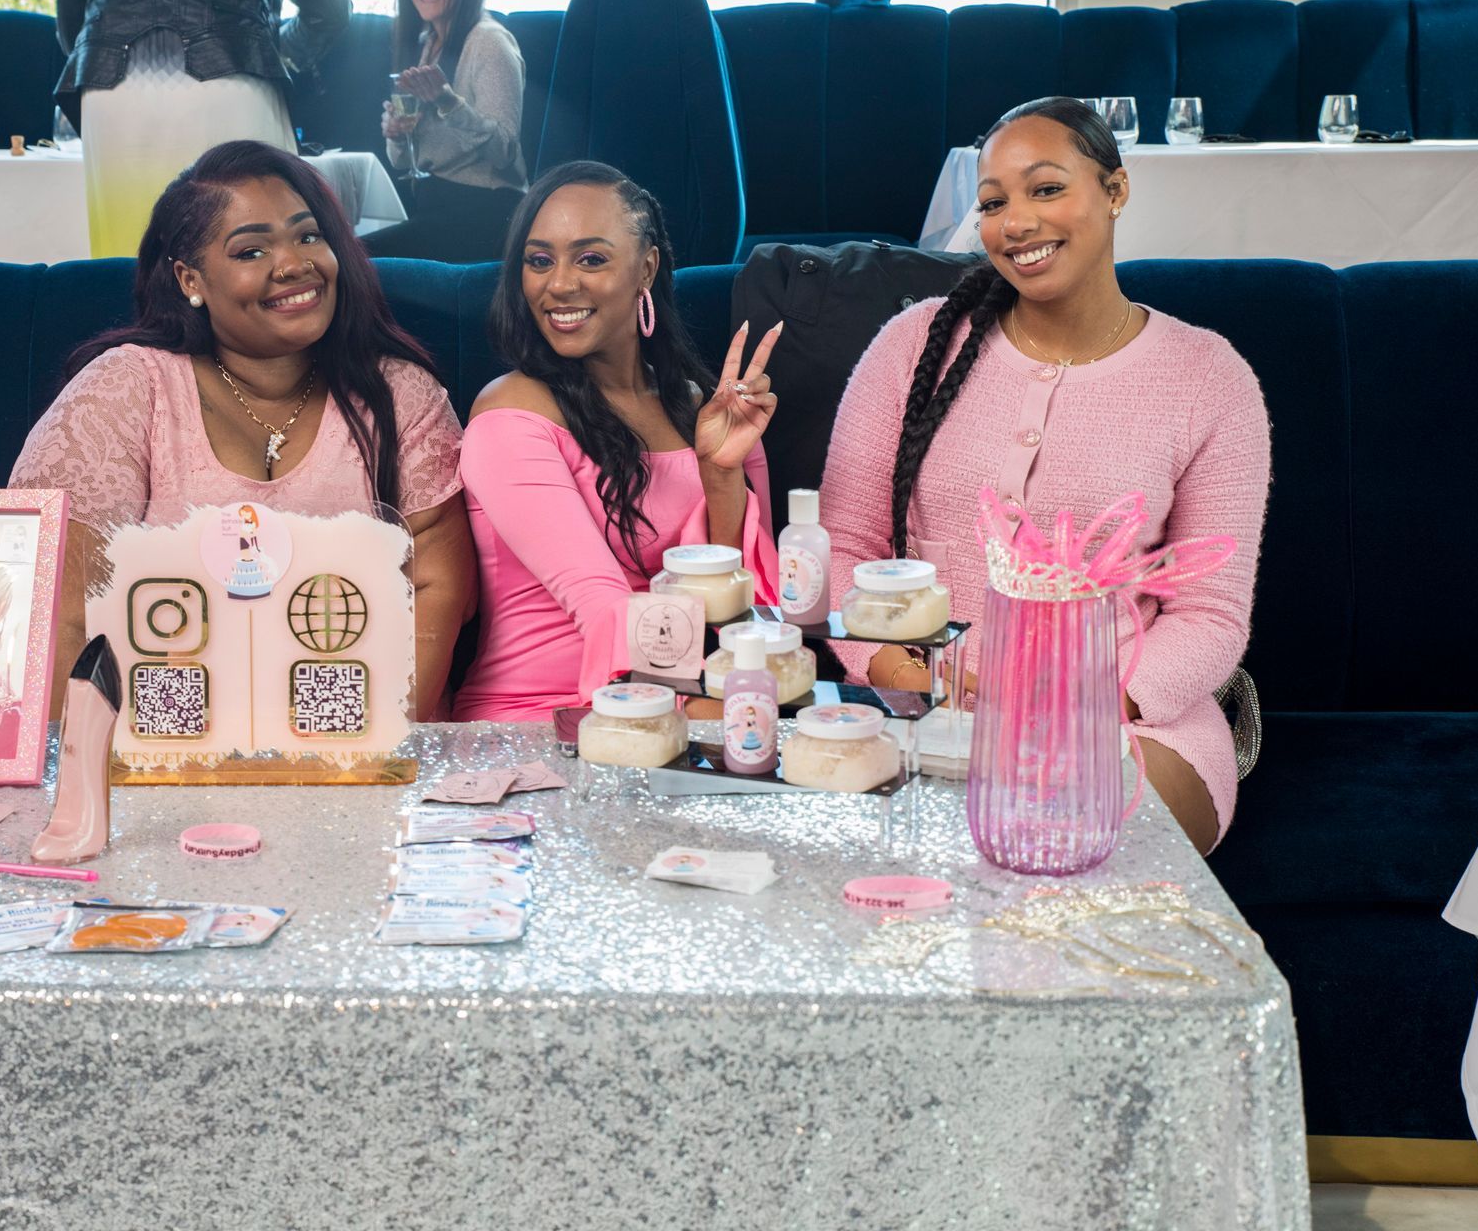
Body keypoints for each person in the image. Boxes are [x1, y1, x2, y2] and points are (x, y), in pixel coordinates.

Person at [819, 97, 1271, 854]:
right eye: (993, 202)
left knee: (1060, 848)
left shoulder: (1209, 376)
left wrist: (1084, 707)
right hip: (927, 712)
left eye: (1046, 188)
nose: (1016, 222)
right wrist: (910, 676)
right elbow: (845, 549)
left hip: (1131, 721)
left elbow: (1211, 616)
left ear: (1116, 191)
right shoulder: (911, 345)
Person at [10, 141, 473, 718]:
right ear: (190, 280)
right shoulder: (127, 390)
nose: (295, 264)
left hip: (360, 736)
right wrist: (80, 781)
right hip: (156, 748)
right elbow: (64, 615)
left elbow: (440, 590)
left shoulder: (400, 394)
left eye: (309, 236)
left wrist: (368, 748)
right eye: (252, 250)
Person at [452, 161, 780, 721]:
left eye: (591, 259)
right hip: (539, 720)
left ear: (646, 268)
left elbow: (744, 606)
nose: (559, 284)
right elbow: (601, 605)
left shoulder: (711, 412)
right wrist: (720, 718)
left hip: (686, 706)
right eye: (539, 260)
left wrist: (722, 475)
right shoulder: (509, 415)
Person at [54, 0, 352, 258]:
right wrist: (271, 53)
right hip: (230, 70)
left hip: (112, 90)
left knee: (130, 255)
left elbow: (70, 18)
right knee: (251, 246)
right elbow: (328, 5)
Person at [363, 0, 527, 263]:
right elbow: (401, 162)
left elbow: (504, 152)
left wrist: (448, 102)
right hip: (435, 207)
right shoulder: (427, 42)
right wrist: (397, 134)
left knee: (356, 261)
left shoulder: (490, 41)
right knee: (344, 250)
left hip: (484, 213)